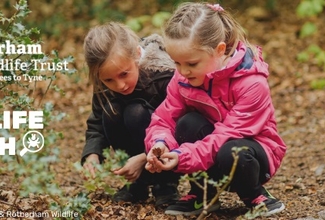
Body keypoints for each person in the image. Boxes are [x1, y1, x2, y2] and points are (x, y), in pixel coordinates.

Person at [144, 2, 287, 217]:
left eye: (191, 63)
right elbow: (164, 119)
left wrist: (181, 156)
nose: (183, 71)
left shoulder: (252, 83)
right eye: (177, 63)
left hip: (253, 149)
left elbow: (226, 135)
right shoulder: (182, 78)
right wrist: (160, 144)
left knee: (232, 152)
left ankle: (253, 194)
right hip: (209, 147)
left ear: (219, 50)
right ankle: (203, 194)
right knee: (188, 123)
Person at [81, 21, 180, 206]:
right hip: (136, 152)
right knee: (111, 112)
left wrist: (144, 158)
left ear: (136, 54)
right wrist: (92, 155)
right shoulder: (104, 82)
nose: (120, 85)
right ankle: (138, 183)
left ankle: (165, 184)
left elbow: (178, 127)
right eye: (109, 80)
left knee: (135, 113)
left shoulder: (163, 75)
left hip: (167, 149)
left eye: (124, 74)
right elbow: (96, 121)